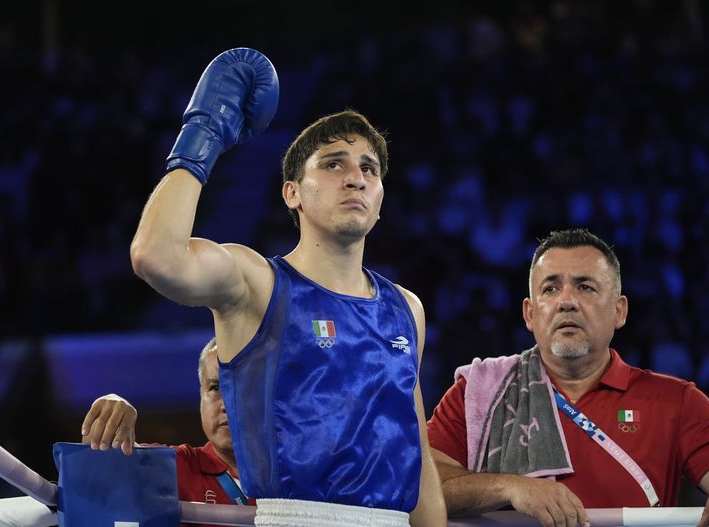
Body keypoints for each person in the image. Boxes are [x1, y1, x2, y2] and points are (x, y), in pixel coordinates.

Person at [128, 47, 446, 527]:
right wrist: (203, 135)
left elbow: (415, 457)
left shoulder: (407, 309)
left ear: (380, 202)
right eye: (334, 164)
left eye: (369, 168)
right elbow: (155, 256)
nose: (356, 178)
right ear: (292, 193)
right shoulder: (257, 283)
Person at [427, 228, 709, 527]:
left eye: (585, 287)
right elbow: (422, 484)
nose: (566, 301)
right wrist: (511, 486)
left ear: (619, 311)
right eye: (550, 288)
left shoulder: (675, 400)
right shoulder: (477, 394)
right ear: (530, 314)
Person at [81, 337, 257, 527]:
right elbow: (98, 474)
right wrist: (109, 415)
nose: (226, 405)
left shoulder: (293, 473)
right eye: (215, 388)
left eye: (242, 387)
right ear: (201, 396)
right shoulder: (174, 467)